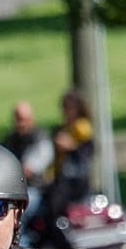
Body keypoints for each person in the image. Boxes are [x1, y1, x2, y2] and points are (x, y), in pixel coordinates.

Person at [1, 102, 53, 244]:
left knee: (16, 213)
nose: (21, 123)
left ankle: (18, 246)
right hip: (12, 190)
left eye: (24, 119)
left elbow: (29, 170)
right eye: (18, 119)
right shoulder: (11, 139)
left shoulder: (41, 140)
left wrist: (5, 174)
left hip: (35, 191)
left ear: (32, 118)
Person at [45, 89, 95, 217]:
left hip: (75, 180)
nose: (66, 112)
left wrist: (71, 146)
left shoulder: (82, 127)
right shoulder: (63, 128)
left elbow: (86, 151)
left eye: (69, 108)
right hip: (61, 177)